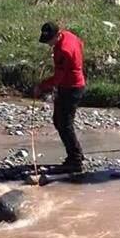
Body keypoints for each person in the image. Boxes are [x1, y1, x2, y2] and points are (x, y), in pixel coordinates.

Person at [33, 22, 86, 173]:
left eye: (50, 41)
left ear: (57, 35)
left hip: (71, 88)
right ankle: (76, 155)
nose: (48, 44)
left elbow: (58, 78)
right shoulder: (69, 36)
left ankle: (75, 160)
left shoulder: (63, 50)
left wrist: (41, 86)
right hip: (70, 86)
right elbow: (80, 44)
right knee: (59, 121)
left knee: (65, 124)